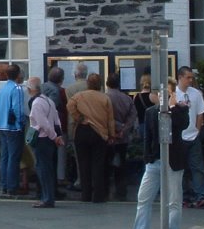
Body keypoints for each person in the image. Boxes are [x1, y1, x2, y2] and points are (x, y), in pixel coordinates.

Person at [120, 81, 190, 229]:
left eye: (166, 93)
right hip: (154, 161)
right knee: (143, 198)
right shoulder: (150, 112)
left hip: (173, 161)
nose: (161, 96)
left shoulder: (180, 111)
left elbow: (182, 125)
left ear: (173, 94)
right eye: (159, 92)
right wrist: (147, 159)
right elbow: (148, 138)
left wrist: (173, 107)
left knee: (173, 201)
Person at [67, 73, 115, 202]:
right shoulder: (105, 98)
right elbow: (110, 119)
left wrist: (79, 117)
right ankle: (98, 195)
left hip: (82, 130)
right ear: (100, 84)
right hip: (99, 132)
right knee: (98, 164)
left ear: (88, 83)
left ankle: (86, 194)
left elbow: (69, 106)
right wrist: (111, 135)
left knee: (83, 164)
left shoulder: (79, 96)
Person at [26, 76, 64, 208]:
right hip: (49, 139)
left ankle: (47, 198)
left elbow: (44, 124)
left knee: (43, 169)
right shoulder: (48, 100)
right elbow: (56, 120)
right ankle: (47, 197)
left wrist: (54, 136)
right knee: (47, 168)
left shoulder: (36, 104)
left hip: (42, 139)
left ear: (30, 89)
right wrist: (58, 136)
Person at [175, 66, 204, 208]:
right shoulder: (173, 95)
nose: (190, 80)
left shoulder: (196, 94)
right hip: (180, 136)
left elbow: (200, 113)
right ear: (180, 77)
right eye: (188, 77)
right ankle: (184, 196)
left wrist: (197, 129)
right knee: (181, 168)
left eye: (191, 77)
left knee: (197, 167)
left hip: (193, 135)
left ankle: (201, 195)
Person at [0, 64, 27, 195]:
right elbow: (17, 108)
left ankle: (4, 185)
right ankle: (12, 186)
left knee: (4, 157)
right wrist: (21, 122)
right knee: (14, 157)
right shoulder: (17, 88)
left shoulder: (2, 89)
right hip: (13, 127)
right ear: (18, 74)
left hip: (1, 125)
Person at [105, 72, 137, 201]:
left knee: (106, 164)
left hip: (108, 137)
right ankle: (121, 190)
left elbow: (104, 116)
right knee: (121, 165)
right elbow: (132, 115)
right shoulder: (127, 98)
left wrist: (114, 129)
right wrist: (124, 129)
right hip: (122, 137)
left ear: (107, 83)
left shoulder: (105, 97)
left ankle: (106, 189)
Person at [42, 66, 68, 199]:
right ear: (61, 79)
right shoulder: (56, 91)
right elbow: (53, 110)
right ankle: (52, 191)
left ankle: (44, 191)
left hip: (41, 129)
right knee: (52, 160)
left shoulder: (42, 87)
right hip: (51, 129)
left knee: (43, 161)